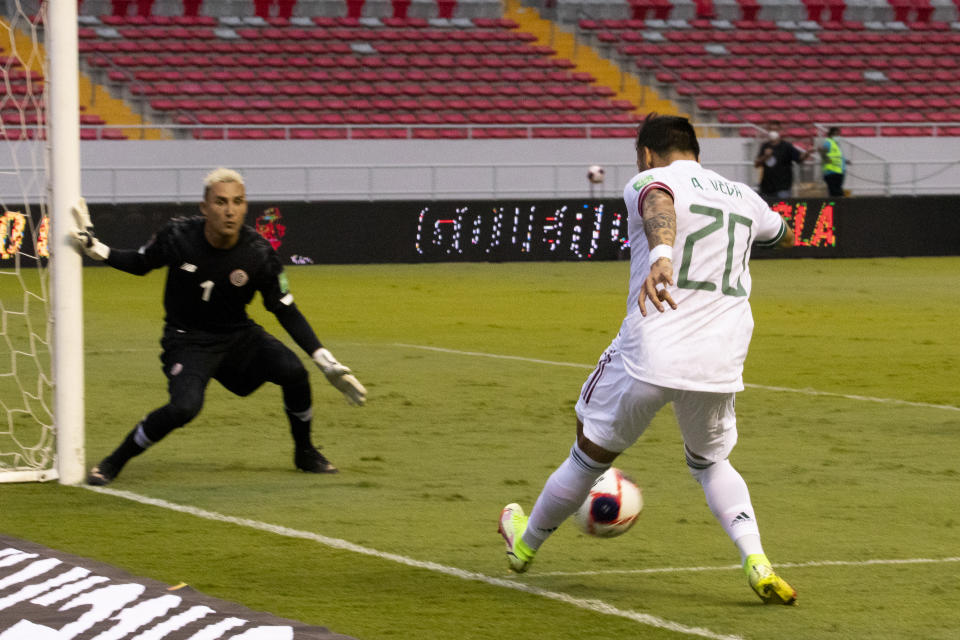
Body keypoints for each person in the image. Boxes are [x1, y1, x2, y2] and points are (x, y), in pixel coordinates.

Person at [498, 114, 798, 605]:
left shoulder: (648, 179)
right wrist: (770, 233)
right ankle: (757, 560)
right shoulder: (744, 196)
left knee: (588, 454)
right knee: (711, 461)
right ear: (697, 150)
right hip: (721, 357)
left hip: (651, 349)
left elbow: (659, 200)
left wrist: (662, 252)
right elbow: (781, 234)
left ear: (644, 152)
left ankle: (524, 546)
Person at [72, 168, 367, 486]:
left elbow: (286, 310)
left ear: (245, 206)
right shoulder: (178, 235)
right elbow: (141, 263)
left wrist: (325, 360)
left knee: (295, 373)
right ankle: (114, 461)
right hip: (188, 339)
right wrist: (98, 250)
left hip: (238, 335)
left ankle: (305, 452)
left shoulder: (259, 252)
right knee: (184, 407)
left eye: (238, 202)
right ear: (204, 207)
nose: (230, 210)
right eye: (221, 202)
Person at [754, 123, 812, 200]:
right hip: (766, 187)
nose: (773, 132)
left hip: (783, 187)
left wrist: (808, 153)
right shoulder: (765, 146)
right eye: (771, 130)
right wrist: (765, 156)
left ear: (779, 131)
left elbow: (799, 159)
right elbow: (757, 164)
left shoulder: (786, 146)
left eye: (775, 130)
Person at [819, 126, 848, 197]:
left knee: (837, 192)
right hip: (831, 172)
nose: (838, 136)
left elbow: (837, 156)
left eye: (839, 134)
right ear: (831, 134)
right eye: (836, 134)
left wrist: (844, 161)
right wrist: (830, 162)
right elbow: (823, 155)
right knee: (836, 193)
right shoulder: (828, 143)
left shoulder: (836, 144)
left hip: (838, 171)